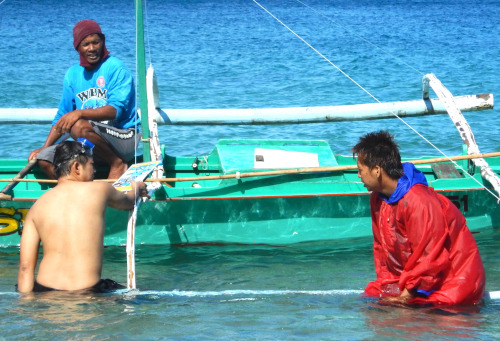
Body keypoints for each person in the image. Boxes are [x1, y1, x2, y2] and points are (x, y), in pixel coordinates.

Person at [351, 130, 485, 306]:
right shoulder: (377, 197)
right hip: (415, 277)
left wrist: (404, 298)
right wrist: (388, 290)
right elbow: (381, 250)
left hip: (453, 280)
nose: (358, 175)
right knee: (370, 301)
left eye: (360, 170)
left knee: (410, 318)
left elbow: (431, 258)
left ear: (377, 171)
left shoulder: (419, 202)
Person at [18, 140, 149, 293]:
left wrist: (27, 301)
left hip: (44, 291)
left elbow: (25, 268)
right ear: (77, 167)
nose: (94, 171)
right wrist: (137, 188)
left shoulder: (37, 207)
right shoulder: (100, 189)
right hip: (86, 292)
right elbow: (129, 202)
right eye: (91, 165)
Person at [29, 19, 139, 180]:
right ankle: (82, 192)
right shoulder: (72, 74)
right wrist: (45, 147)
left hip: (124, 137)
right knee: (45, 159)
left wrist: (80, 113)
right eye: (86, 44)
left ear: (103, 42)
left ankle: (117, 164)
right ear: (77, 47)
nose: (92, 48)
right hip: (90, 142)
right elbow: (63, 116)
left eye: (96, 42)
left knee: (78, 125)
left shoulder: (116, 68)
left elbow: (115, 110)